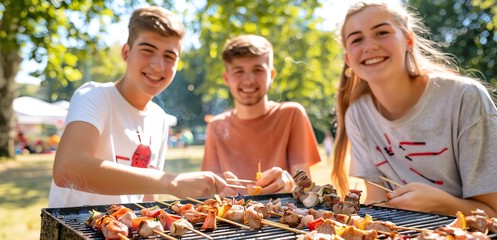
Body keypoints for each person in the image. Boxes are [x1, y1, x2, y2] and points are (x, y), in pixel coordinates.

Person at [49, 6, 232, 208]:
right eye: (147, 50)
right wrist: (172, 182)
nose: (158, 65)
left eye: (169, 56)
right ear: (126, 52)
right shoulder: (94, 96)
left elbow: (147, 197)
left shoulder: (160, 118)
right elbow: (67, 168)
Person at [331, 1, 497, 217]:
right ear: (348, 60)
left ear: (408, 40)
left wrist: (441, 203)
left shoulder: (465, 98)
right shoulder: (358, 115)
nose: (370, 46)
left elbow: (493, 212)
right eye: (356, 39)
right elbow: (375, 202)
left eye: (381, 32)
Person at [201, 34, 322, 195]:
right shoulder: (216, 126)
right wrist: (218, 192)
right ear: (226, 78)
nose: (249, 80)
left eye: (258, 70)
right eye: (239, 71)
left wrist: (289, 185)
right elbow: (208, 192)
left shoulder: (292, 114)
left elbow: (306, 189)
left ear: (271, 75)